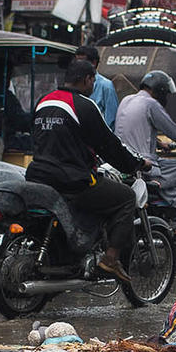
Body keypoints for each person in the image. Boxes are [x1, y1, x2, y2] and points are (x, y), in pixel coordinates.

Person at [26, 58, 151, 283]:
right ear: (87, 80)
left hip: (38, 176)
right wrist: (136, 164)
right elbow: (109, 144)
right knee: (126, 198)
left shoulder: (42, 102)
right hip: (72, 181)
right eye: (92, 80)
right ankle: (110, 259)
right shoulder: (83, 105)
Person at [112, 69, 176, 237]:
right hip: (144, 165)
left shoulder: (127, 100)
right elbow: (174, 131)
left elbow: (134, 130)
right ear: (160, 91)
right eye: (166, 94)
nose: (166, 98)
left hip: (123, 162)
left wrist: (159, 143)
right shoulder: (151, 104)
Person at [77, 44, 120, 126]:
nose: (78, 66)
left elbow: (111, 120)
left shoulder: (106, 86)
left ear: (93, 63)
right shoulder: (75, 83)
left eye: (82, 62)